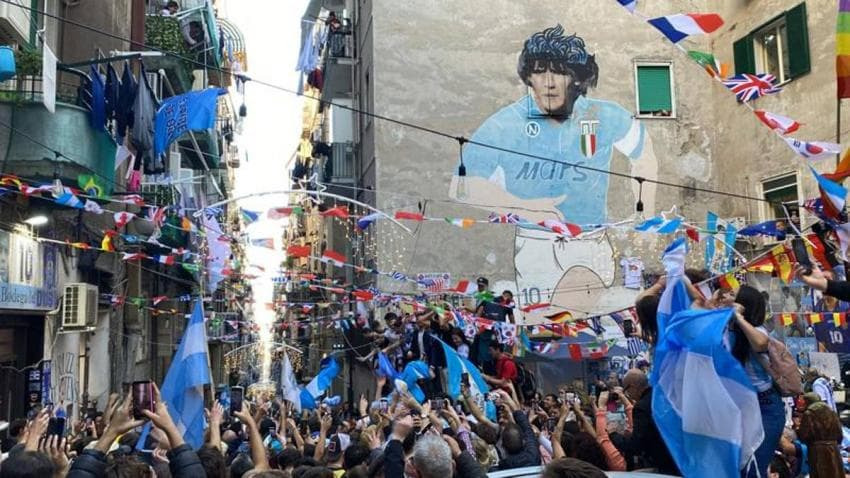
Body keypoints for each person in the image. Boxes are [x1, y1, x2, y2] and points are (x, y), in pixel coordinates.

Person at [450, 24, 658, 308]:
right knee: (542, 323)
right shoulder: (505, 123)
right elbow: (461, 186)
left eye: (559, 72)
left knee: (590, 320)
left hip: (590, 240)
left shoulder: (603, 115)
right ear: (528, 78)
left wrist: (646, 215)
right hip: (536, 242)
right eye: (539, 72)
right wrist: (524, 207)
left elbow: (644, 154)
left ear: (576, 78)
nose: (549, 82)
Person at [731, 285, 784, 478]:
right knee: (739, 467)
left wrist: (739, 317)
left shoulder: (758, 331)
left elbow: (761, 343)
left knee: (755, 466)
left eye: (734, 297)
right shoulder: (727, 333)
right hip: (740, 406)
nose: (729, 300)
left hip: (766, 405)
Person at [621, 368, 679, 475]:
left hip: (662, 462)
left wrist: (615, 436)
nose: (628, 394)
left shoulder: (641, 407)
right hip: (677, 455)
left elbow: (637, 445)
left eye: (626, 390)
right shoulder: (661, 396)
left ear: (633, 387)